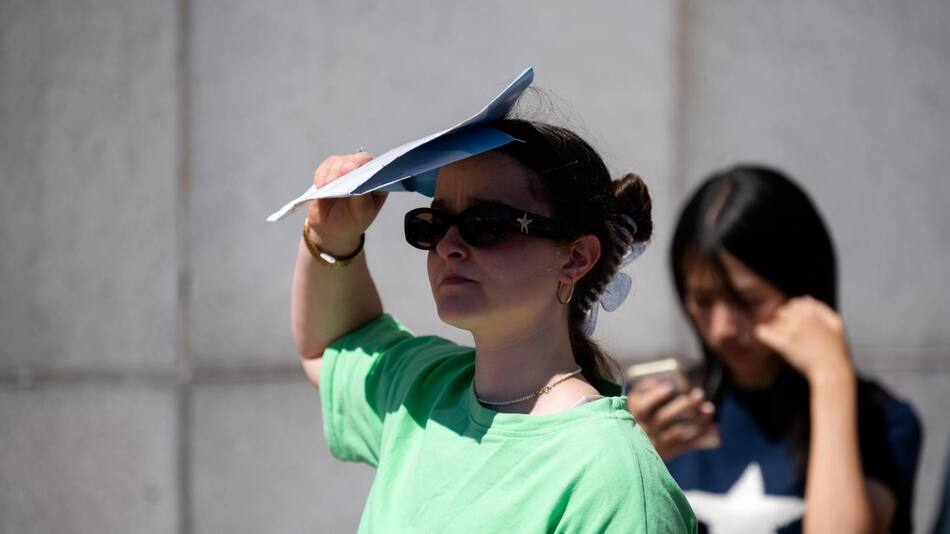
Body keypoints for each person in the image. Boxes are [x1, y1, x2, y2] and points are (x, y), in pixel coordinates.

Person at [291, 118, 696, 532]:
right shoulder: (423, 386)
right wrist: (332, 236)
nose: (448, 246)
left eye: (485, 223)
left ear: (575, 258)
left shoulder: (613, 480)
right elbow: (331, 346)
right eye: (433, 224)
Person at [627, 165, 921, 533]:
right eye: (703, 301)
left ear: (802, 288)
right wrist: (628, 458)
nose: (722, 328)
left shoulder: (882, 422)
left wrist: (831, 376)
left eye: (748, 300)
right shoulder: (662, 413)